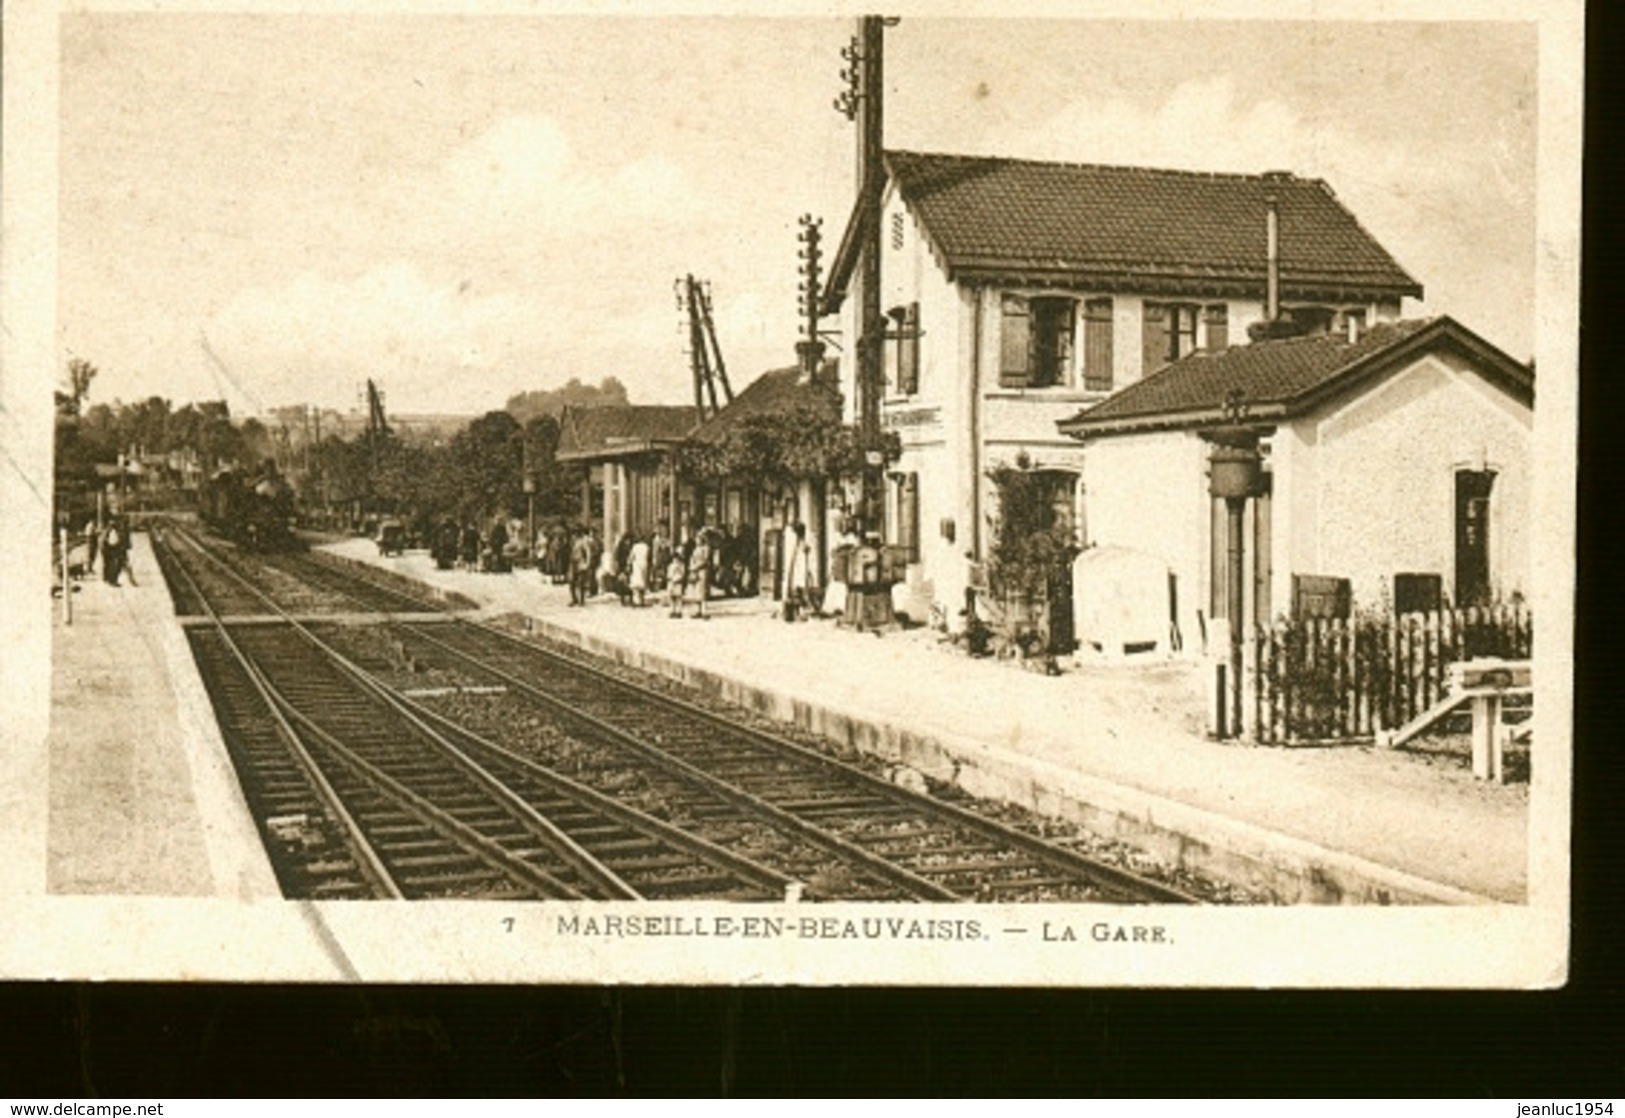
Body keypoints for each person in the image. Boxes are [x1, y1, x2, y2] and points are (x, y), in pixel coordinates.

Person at [782, 521, 815, 621]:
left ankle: (798, 611)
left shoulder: (802, 543)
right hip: (797, 571)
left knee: (798, 589)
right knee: (796, 589)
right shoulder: (794, 543)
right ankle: (794, 612)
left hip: (799, 571)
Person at [687, 528, 712, 619]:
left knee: (703, 592)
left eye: (699, 538)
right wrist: (691, 566)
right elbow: (692, 559)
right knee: (696, 591)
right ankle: (697, 610)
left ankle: (704, 611)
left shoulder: (706, 548)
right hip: (695, 571)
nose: (697, 540)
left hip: (702, 571)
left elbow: (705, 560)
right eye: (696, 539)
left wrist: (696, 566)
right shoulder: (695, 549)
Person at [665, 543, 688, 619]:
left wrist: (678, 578)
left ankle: (679, 611)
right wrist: (669, 578)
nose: (675, 560)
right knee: (672, 598)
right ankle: (672, 610)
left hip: (678, 582)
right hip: (671, 582)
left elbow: (682, 573)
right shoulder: (670, 566)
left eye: (677, 559)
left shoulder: (681, 565)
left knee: (678, 598)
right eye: (674, 559)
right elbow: (668, 573)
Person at [628, 533, 651, 608]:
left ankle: (636, 601)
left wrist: (629, 563)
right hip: (644, 564)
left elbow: (631, 556)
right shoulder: (646, 547)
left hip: (637, 564)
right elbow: (649, 556)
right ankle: (642, 600)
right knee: (642, 582)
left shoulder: (635, 547)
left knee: (636, 583)